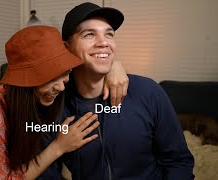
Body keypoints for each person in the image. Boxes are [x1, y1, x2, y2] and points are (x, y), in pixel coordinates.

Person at [0, 26, 101, 179]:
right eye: (51, 79)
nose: (61, 87)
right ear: (24, 83)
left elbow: (93, 75)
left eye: (65, 73)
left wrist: (115, 69)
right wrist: (58, 147)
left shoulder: (52, 93)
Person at [59, 2, 195, 179]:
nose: (104, 43)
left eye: (109, 34)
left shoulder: (148, 92)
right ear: (66, 47)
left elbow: (179, 161)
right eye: (89, 34)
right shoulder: (56, 105)